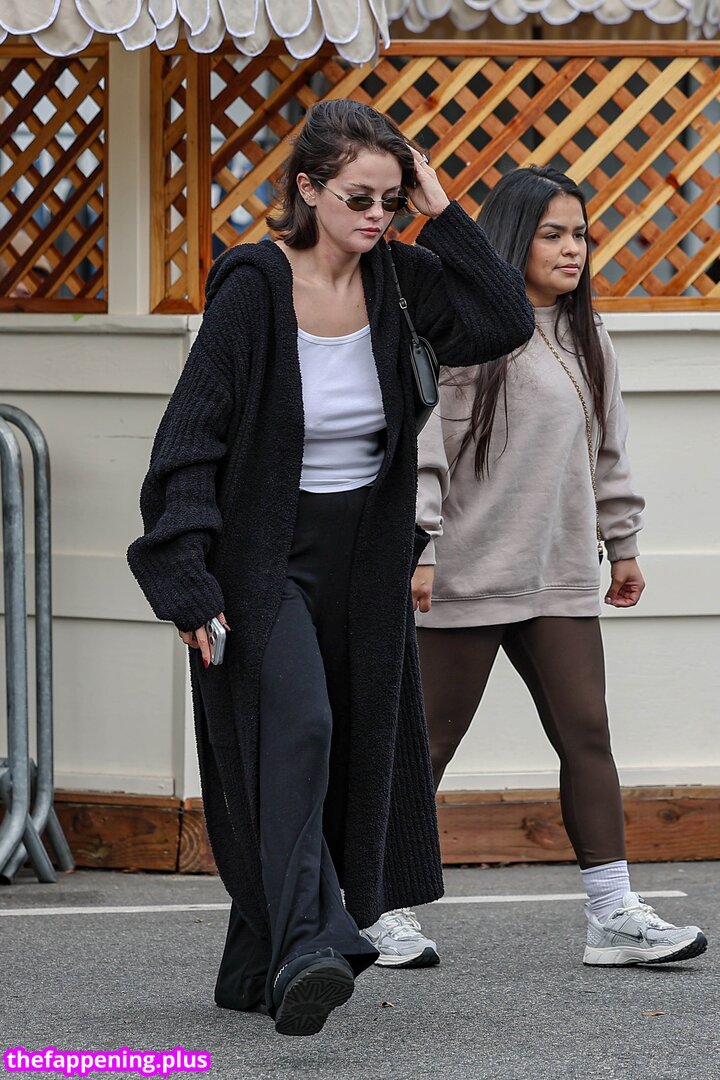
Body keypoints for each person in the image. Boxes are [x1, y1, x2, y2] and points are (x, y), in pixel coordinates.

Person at [127, 99, 535, 1036]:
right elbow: (188, 440)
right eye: (359, 197)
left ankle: (252, 959)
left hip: (367, 560)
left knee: (343, 744)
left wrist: (442, 208)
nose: (378, 215)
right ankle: (313, 942)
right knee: (299, 727)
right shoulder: (254, 289)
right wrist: (185, 577)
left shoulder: (403, 279)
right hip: (263, 555)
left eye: (391, 199)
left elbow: (502, 319)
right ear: (308, 190)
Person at [405, 165, 708, 969]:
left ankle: (613, 916)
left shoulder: (587, 336)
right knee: (425, 747)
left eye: (580, 234)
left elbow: (608, 451)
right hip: (466, 571)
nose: (573, 249)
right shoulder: (461, 336)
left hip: (559, 574)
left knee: (587, 733)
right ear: (514, 240)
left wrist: (624, 543)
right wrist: (420, 548)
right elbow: (424, 451)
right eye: (553, 234)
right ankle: (371, 909)